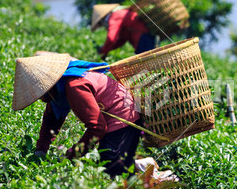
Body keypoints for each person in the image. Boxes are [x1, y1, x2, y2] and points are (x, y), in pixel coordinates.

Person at [12, 53, 175, 180]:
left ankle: (158, 178)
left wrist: (73, 154)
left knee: (112, 170)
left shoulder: (74, 86)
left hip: (123, 116)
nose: (41, 99)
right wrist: (40, 151)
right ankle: (141, 165)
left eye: (41, 94)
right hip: (114, 118)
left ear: (49, 86)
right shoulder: (59, 91)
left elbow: (97, 127)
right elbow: (50, 122)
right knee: (109, 165)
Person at [91, 4, 158, 59]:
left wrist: (103, 50)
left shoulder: (115, 16)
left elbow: (111, 39)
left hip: (142, 39)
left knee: (148, 64)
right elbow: (121, 40)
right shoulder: (121, 12)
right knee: (151, 61)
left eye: (100, 24)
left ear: (103, 19)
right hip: (145, 38)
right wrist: (105, 50)